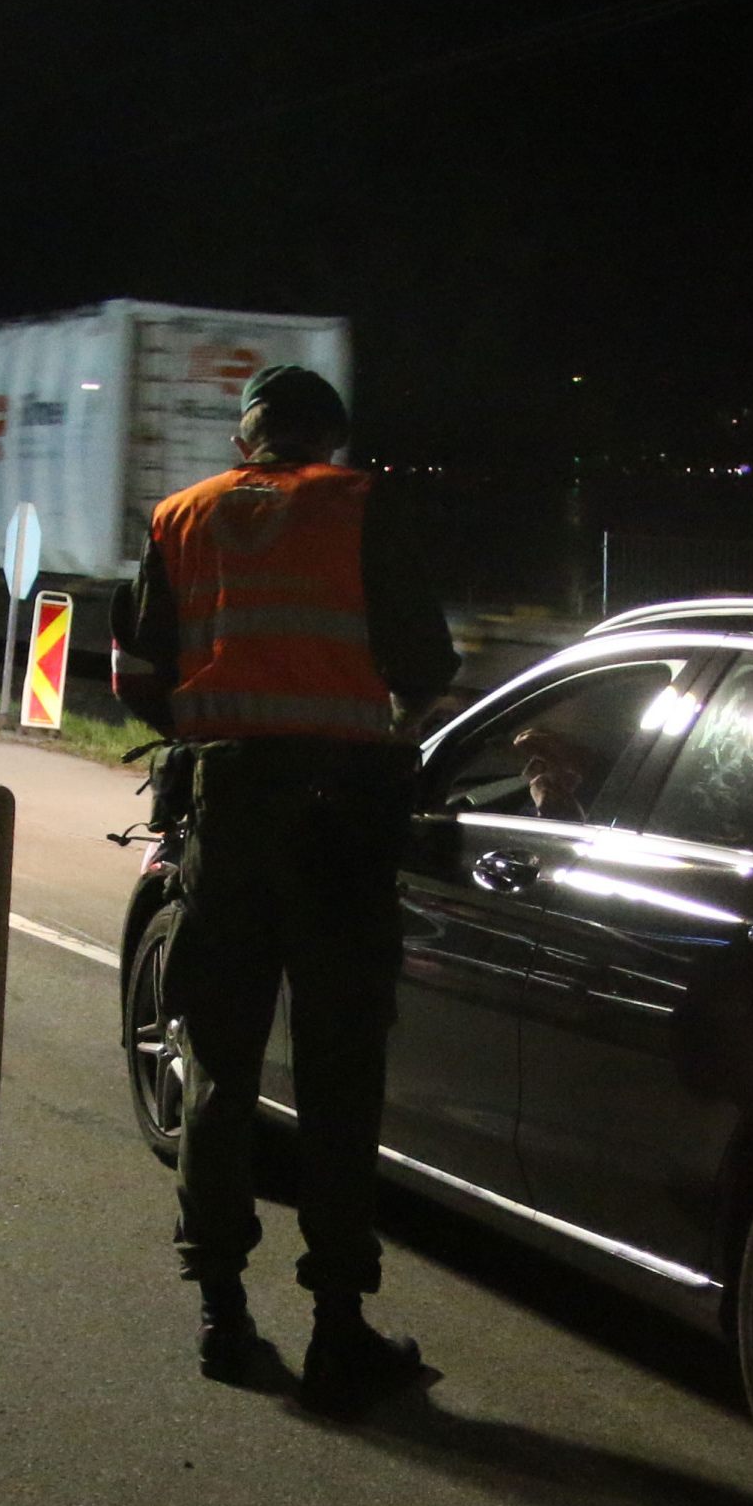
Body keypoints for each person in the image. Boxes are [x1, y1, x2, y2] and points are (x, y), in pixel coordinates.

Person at [113, 362, 459, 1418]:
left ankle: (221, 1313)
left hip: (229, 817)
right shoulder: (362, 506)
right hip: (342, 824)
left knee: (219, 1065)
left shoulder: (182, 516)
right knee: (338, 1074)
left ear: (245, 439)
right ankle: (337, 1327)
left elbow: (136, 675)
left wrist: (213, 734)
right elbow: (425, 662)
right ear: (330, 441)